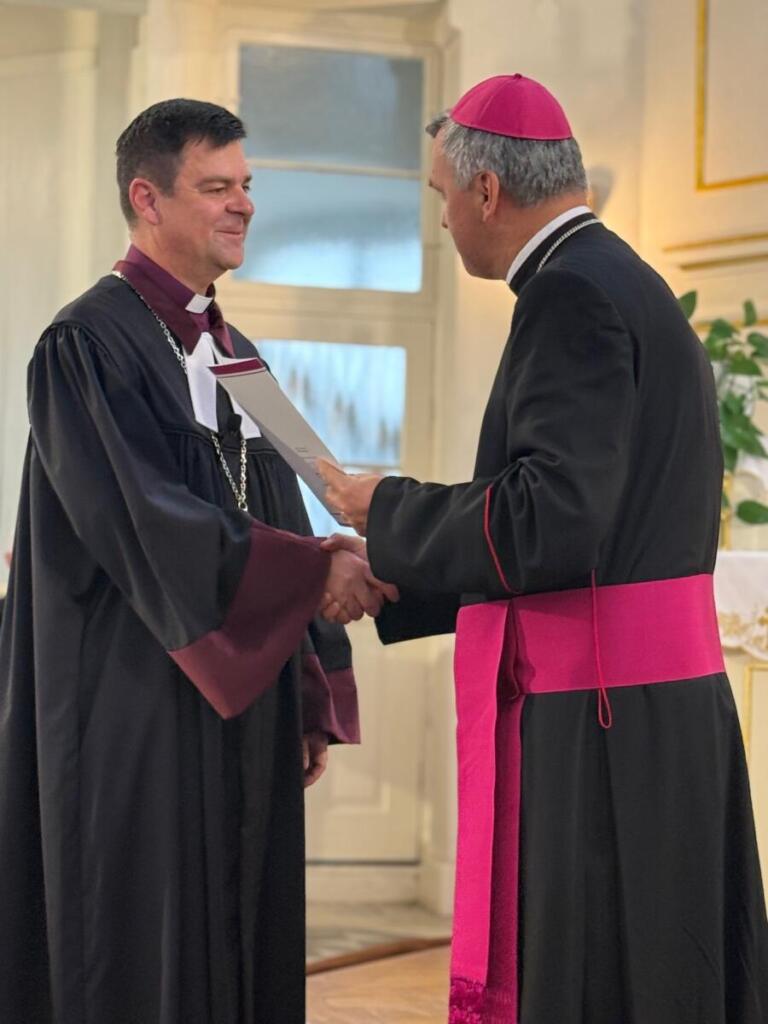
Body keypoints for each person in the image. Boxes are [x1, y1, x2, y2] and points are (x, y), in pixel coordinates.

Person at [319, 74, 768, 1024]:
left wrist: (383, 505)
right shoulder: (624, 280)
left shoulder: (569, 295)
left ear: (488, 191)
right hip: (648, 709)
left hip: (599, 724)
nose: (444, 220)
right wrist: (397, 568)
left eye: (443, 195)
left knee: (596, 969)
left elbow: (553, 517)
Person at [0, 98, 396, 1024]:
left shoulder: (237, 354)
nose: (245, 204)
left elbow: (291, 502)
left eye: (246, 185)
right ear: (148, 199)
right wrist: (316, 573)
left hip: (241, 698)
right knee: (145, 937)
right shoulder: (84, 344)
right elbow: (146, 520)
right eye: (217, 187)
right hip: (132, 701)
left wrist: (308, 680)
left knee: (240, 926)